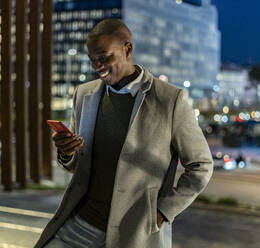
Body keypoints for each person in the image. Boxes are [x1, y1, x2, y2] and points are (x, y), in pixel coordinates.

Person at [35, 19, 213, 248]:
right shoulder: (83, 94)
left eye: (104, 56)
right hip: (81, 223)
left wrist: (162, 212)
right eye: (92, 60)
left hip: (133, 235)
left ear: (127, 49)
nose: (97, 66)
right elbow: (76, 165)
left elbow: (201, 166)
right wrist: (66, 153)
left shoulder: (169, 100)